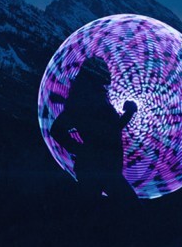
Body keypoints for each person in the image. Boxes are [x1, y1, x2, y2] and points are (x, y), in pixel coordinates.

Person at [51, 58, 137, 200]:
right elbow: (57, 130)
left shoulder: (97, 97)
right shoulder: (84, 100)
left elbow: (110, 130)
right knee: (130, 210)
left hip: (104, 168)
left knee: (95, 214)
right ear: (94, 73)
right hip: (98, 169)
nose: (107, 71)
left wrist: (129, 113)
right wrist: (84, 151)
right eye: (103, 68)